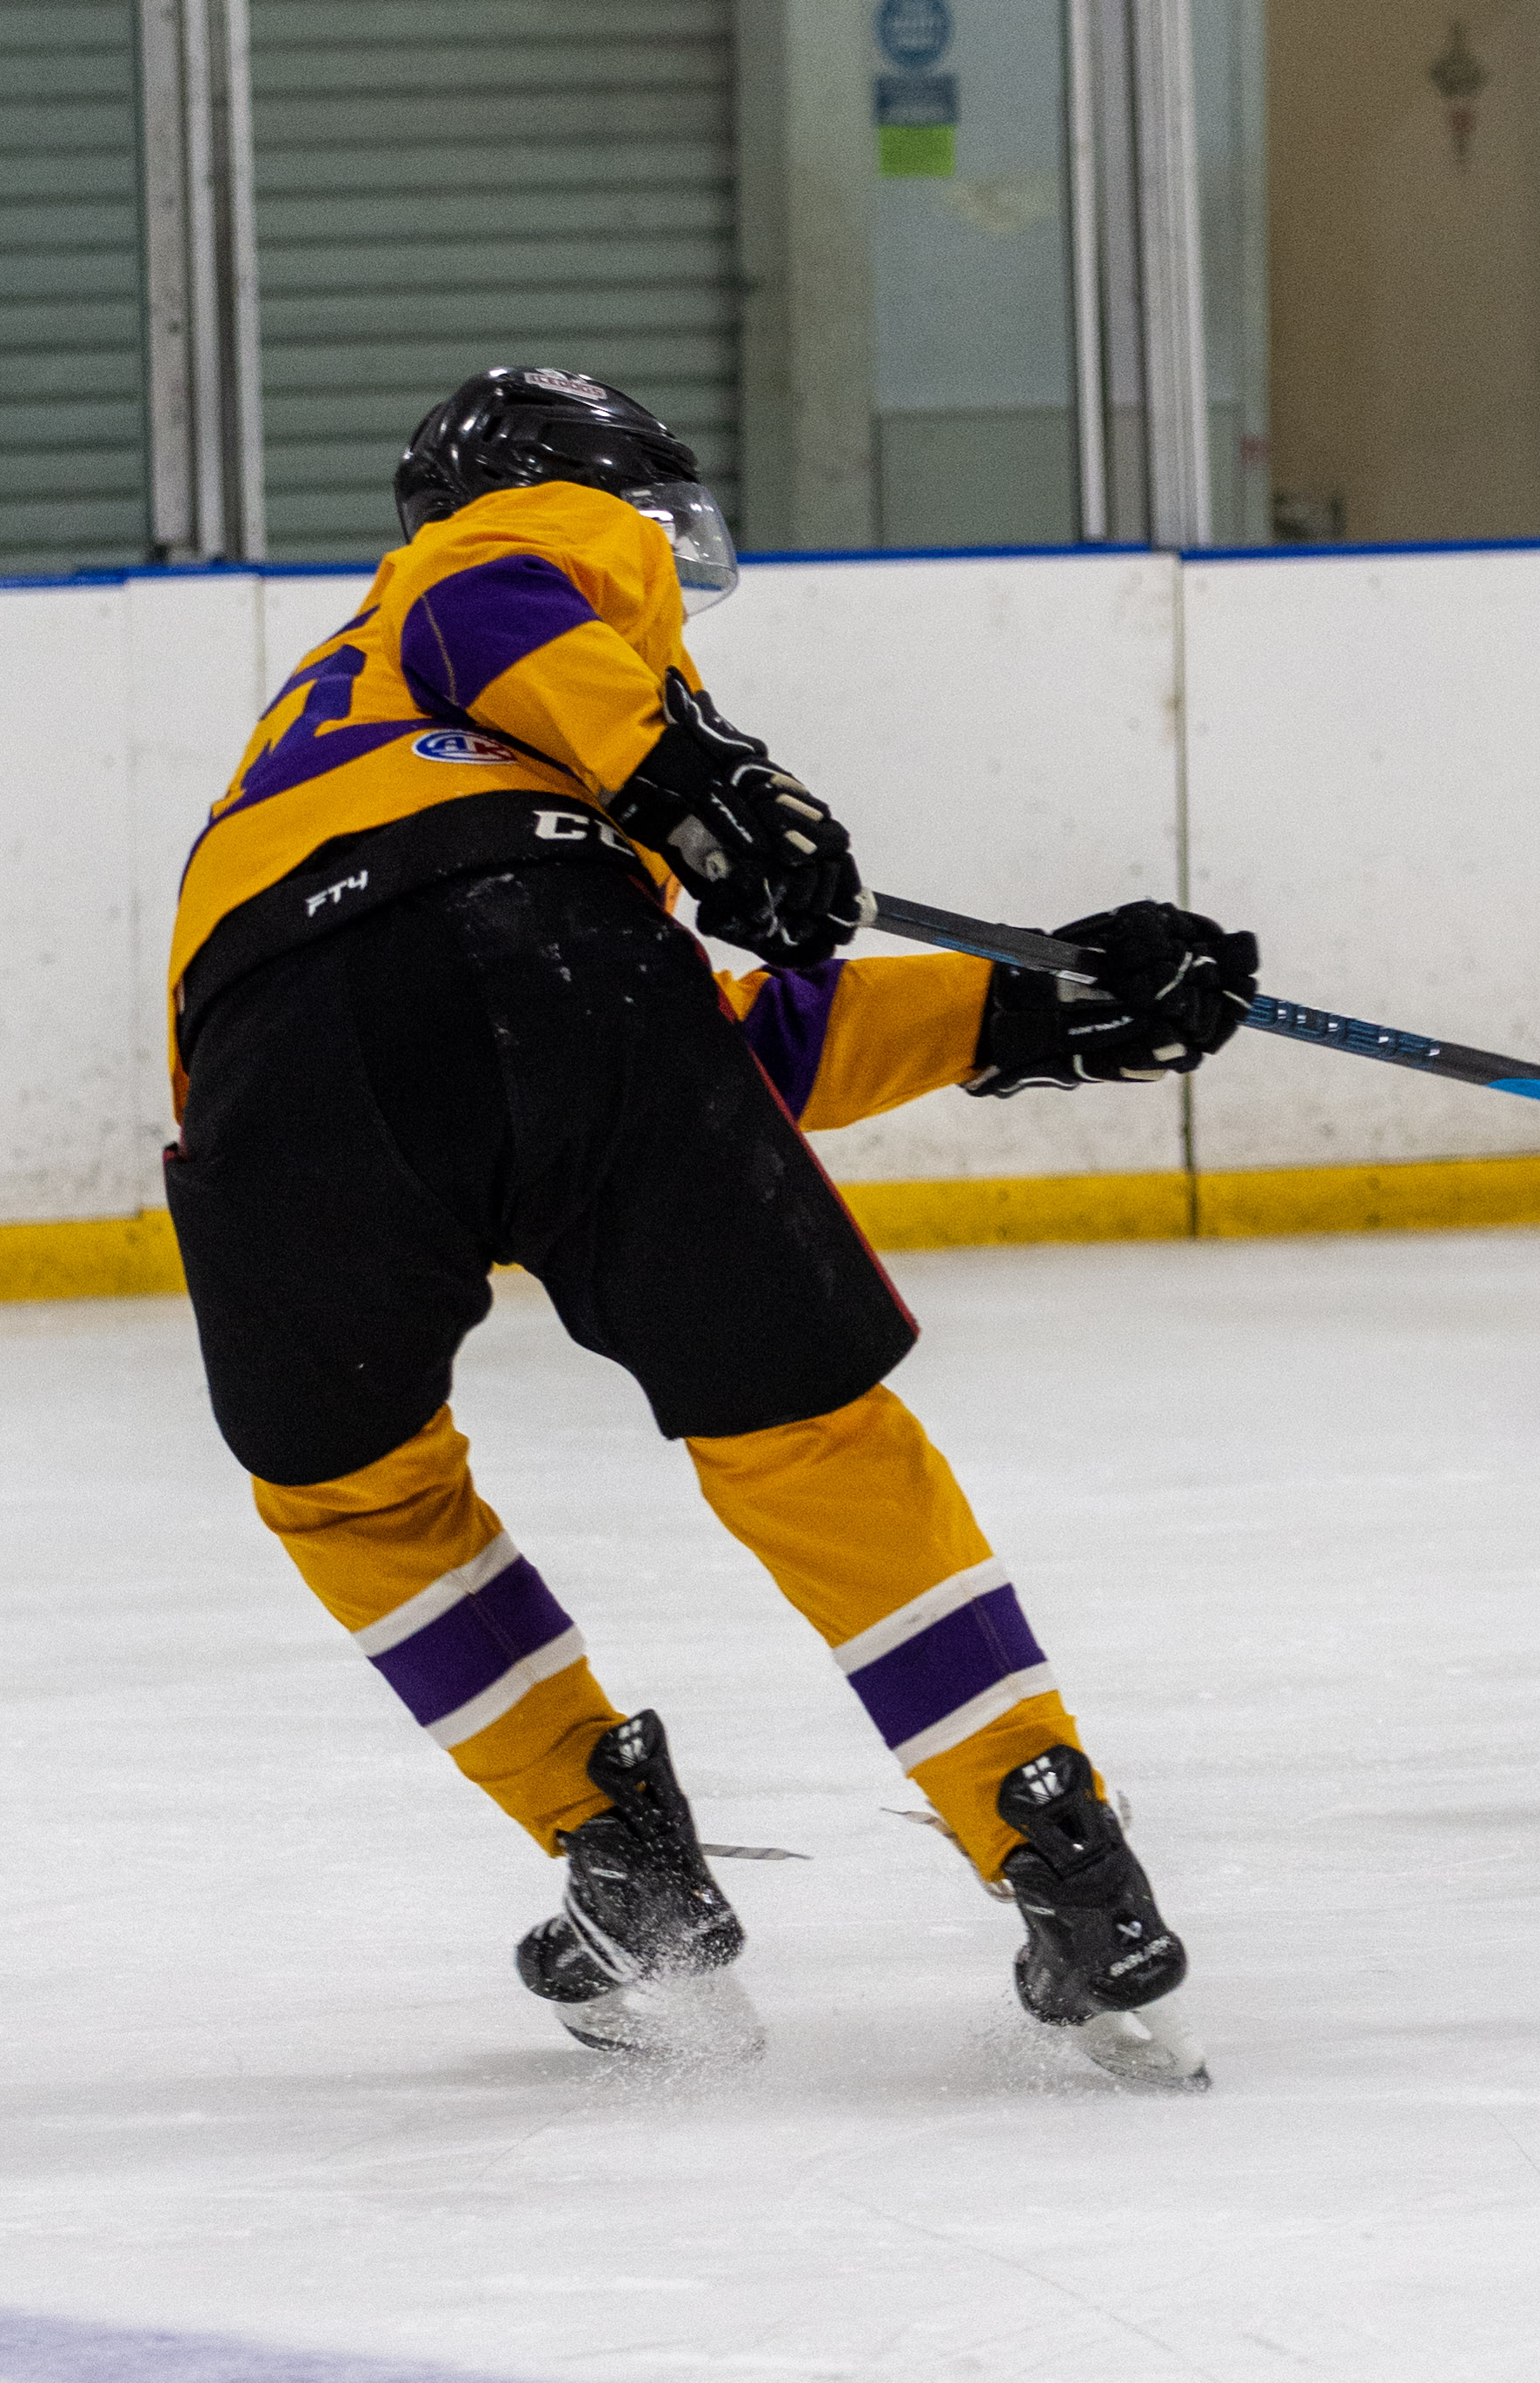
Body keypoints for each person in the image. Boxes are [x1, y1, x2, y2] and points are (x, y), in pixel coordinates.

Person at [162, 366, 1256, 2083]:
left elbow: (733, 1048)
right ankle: (1056, 1846)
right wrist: (688, 769)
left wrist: (1028, 1008)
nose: (667, 556)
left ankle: (620, 1854)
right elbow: (487, 598)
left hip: (279, 1056)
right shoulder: (496, 578)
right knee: (808, 1439)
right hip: (566, 969)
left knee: (353, 1489)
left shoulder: (411, 755)